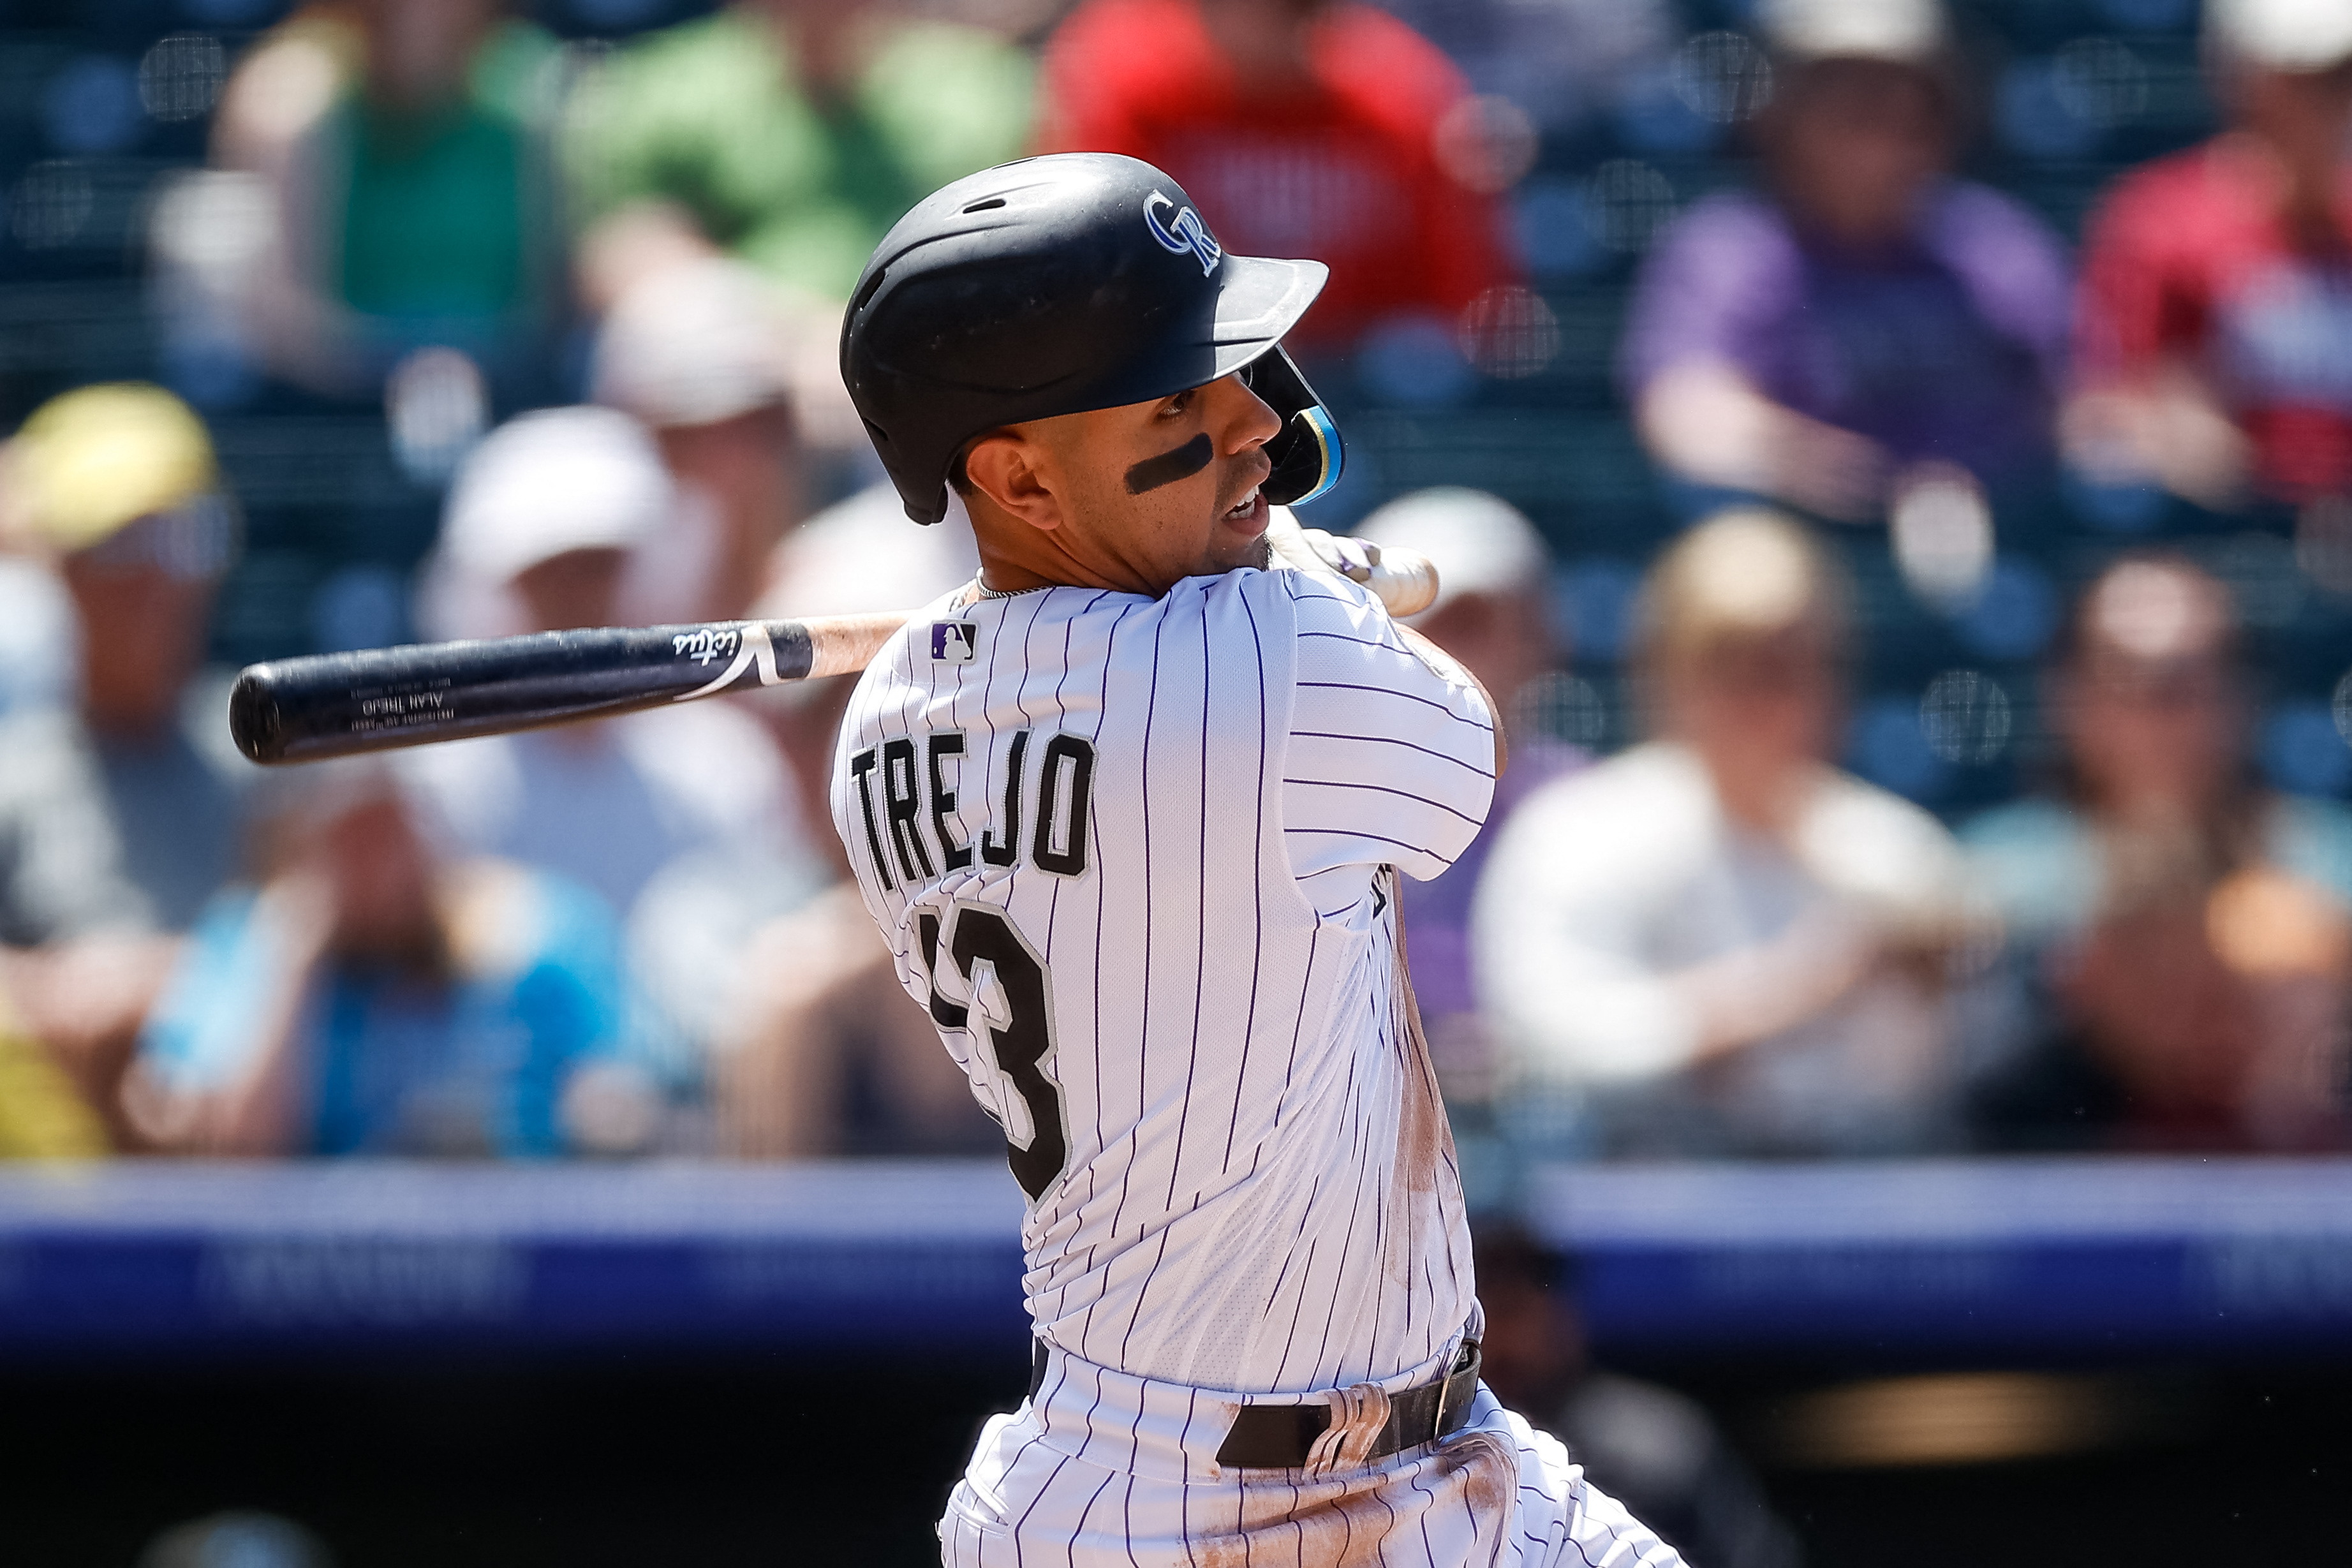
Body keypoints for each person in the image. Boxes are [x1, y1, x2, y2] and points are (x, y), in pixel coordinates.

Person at [832, 152, 1680, 1565]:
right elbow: (1455, 771)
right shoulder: (1274, 655)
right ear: (1014, 472)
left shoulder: (881, 719)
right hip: (1197, 1514)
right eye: (1176, 399)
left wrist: (1247, 549)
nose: (1250, 421)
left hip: (1379, 1451)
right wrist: (1290, 555)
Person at [1473, 510, 1980, 1157]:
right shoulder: (1576, 834)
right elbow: (1549, 1045)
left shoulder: (1896, 851)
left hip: (1864, 1198)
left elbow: (1953, 1071)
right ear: (1667, 669)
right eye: (1732, 660)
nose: (1765, 694)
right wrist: (1792, 990)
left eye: (1793, 662)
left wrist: (1944, 979)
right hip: (1642, 1197)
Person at [402, 408, 825, 1100]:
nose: (580, 595)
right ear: (509, 585)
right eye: (553, 570)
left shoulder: (724, 769)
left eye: (600, 565)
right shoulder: (442, 789)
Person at [1620, 0, 2071, 520]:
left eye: (1906, 108)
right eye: (1847, 106)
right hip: (1794, 543)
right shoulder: (1724, 247)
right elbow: (1681, 415)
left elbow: (2077, 410)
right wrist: (1854, 474)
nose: (1879, 134)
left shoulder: (1997, 243)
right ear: (1782, 114)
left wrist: (1979, 476)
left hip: (1986, 540)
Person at [1965, 557, 2352, 1150]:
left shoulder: (2331, 871)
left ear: (2241, 696)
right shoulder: (1987, 883)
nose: (2162, 712)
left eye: (2189, 681)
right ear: (2070, 698)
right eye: (2130, 681)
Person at [124, 761, 649, 1158]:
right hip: (316, 1263)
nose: (383, 863)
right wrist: (297, 956)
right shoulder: (254, 940)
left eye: (395, 826)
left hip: (528, 1243)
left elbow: (624, 1104)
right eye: (354, 835)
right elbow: (233, 1145)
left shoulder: (544, 928)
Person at [1037, 0, 1521, 356]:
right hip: (1176, 346)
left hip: (1358, 365)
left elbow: (1462, 291)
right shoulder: (1123, 64)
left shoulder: (1395, 90)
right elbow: (1105, 244)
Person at [2066, 0, 2352, 513]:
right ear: (2245, 82)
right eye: (2315, 79)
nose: (2336, 101)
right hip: (2225, 531)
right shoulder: (2160, 220)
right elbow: (2115, 400)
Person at [563, 0, 1034, 307]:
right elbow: (627, 259)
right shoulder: (669, 86)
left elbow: (1018, 258)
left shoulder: (979, 88)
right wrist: (792, 342)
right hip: (738, 378)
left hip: (931, 360)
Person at [1349, 489, 1585, 1100]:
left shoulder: (1597, 814)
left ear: (1538, 636)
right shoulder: (1305, 812)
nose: (1442, 653)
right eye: (1412, 627)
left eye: (1472, 623)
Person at [209, 0, 565, 394]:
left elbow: (552, 310)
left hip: (508, 385)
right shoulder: (293, 96)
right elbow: (288, 325)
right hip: (329, 396)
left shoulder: (535, 83)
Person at [1473, 1224, 1803, 1568]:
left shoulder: (1660, 1450)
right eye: (1484, 1308)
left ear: (1562, 1317)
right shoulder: (1437, 1448)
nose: (1498, 1336)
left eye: (1514, 1309)